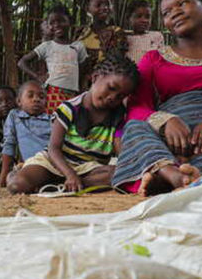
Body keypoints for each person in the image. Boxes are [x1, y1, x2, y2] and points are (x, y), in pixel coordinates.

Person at [112, 0, 202, 196]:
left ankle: (179, 174)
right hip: (170, 141)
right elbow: (138, 106)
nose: (175, 13)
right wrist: (166, 122)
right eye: (167, 12)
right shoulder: (154, 58)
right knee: (134, 127)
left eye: (182, 3)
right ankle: (173, 173)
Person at [8, 53, 138, 194]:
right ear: (95, 78)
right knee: (17, 185)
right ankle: (31, 176)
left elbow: (121, 151)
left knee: (117, 174)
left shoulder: (118, 116)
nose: (113, 97)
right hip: (55, 163)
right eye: (111, 88)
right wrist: (70, 174)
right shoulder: (69, 108)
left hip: (88, 169)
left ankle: (60, 186)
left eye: (121, 96)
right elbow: (54, 149)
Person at [17, 5, 88, 114]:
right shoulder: (47, 46)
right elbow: (22, 62)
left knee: (68, 125)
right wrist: (37, 76)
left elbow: (83, 71)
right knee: (53, 123)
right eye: (52, 23)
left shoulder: (78, 46)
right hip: (52, 92)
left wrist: (81, 90)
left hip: (73, 95)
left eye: (61, 21)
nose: (57, 25)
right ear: (48, 26)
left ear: (70, 21)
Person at [0, 81, 50, 187]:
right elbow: (9, 144)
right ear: (19, 101)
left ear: (46, 101)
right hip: (31, 166)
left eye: (41, 97)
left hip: (51, 162)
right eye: (30, 96)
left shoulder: (52, 120)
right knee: (13, 178)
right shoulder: (14, 116)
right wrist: (3, 176)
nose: (36, 99)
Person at [76, 0, 128, 92]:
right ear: (88, 8)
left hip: (106, 85)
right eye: (99, 5)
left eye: (107, 4)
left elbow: (116, 61)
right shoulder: (81, 33)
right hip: (80, 85)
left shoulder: (116, 32)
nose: (104, 8)